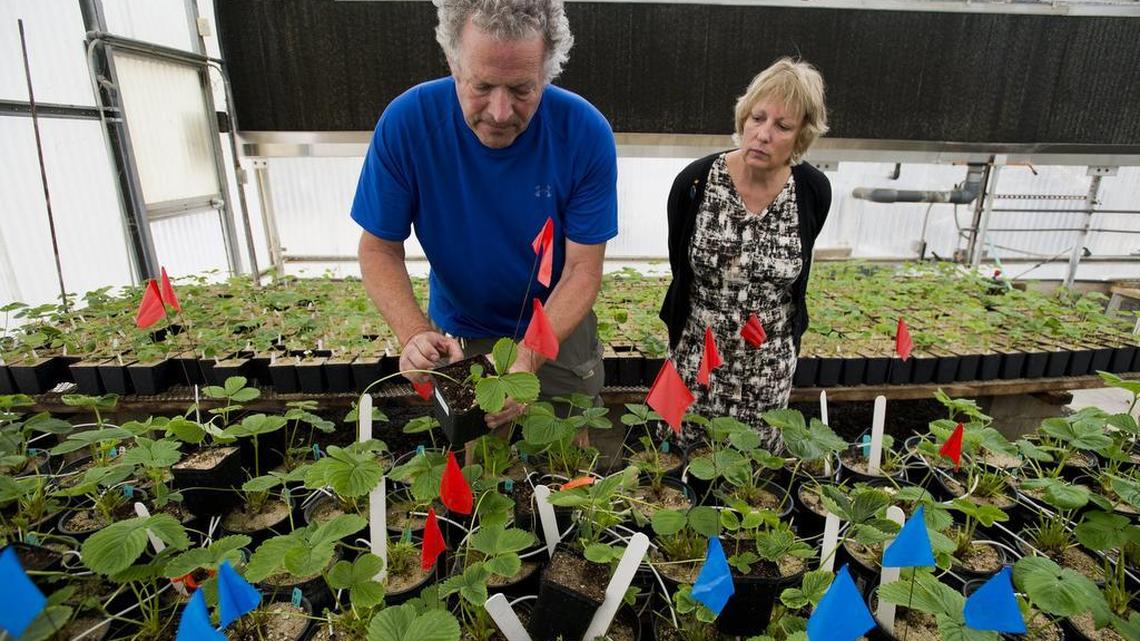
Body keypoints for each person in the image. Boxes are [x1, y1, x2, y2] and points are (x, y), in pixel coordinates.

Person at [351, 0, 618, 431]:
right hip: (462, 328)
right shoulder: (408, 124)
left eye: (521, 90)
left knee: (564, 451)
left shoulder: (584, 132)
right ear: (454, 65)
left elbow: (582, 270)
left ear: (546, 74)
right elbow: (379, 247)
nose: (499, 111)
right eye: (482, 86)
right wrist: (415, 333)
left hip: (557, 322)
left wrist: (527, 356)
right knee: (477, 454)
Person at [658, 58, 831, 448]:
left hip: (767, 368)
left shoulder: (812, 191)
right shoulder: (696, 182)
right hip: (695, 357)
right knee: (682, 462)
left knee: (751, 479)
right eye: (758, 118)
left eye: (782, 126)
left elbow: (796, 278)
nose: (763, 134)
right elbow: (680, 266)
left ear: (802, 135)